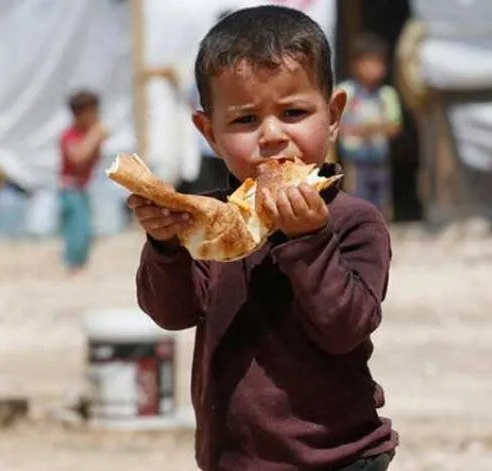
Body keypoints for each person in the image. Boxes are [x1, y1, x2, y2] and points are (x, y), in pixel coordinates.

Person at [129, 6, 397, 471]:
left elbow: (346, 327)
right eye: (245, 120)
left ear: (333, 115)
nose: (272, 136)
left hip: (338, 458)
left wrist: (309, 240)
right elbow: (172, 313)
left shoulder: (353, 221)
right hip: (235, 459)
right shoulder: (214, 223)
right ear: (209, 132)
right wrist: (166, 245)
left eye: (294, 112)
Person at [337, 33, 402, 220]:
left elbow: (395, 127)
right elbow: (333, 125)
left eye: (379, 63)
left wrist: (376, 128)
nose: (374, 68)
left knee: (382, 203)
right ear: (355, 64)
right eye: (369, 62)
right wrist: (356, 129)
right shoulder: (346, 92)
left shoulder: (386, 94)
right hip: (355, 160)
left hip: (380, 159)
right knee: (357, 201)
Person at [58, 90, 108, 274]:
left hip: (84, 188)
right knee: (76, 229)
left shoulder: (86, 134)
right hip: (70, 189)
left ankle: (80, 263)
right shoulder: (69, 135)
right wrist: (95, 135)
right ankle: (72, 264)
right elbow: (77, 157)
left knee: (85, 229)